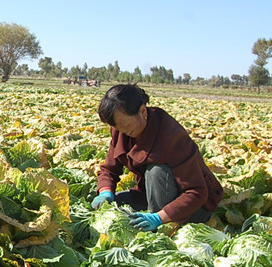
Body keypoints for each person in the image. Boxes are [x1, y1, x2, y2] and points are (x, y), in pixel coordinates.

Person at [91, 84, 224, 231]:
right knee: (110, 205)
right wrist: (105, 192)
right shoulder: (121, 130)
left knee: (156, 171)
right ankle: (150, 216)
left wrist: (158, 217)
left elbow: (197, 192)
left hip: (192, 208)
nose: (120, 130)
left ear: (142, 111)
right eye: (116, 127)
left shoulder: (173, 136)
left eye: (124, 124)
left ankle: (159, 227)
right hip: (150, 195)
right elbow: (109, 169)